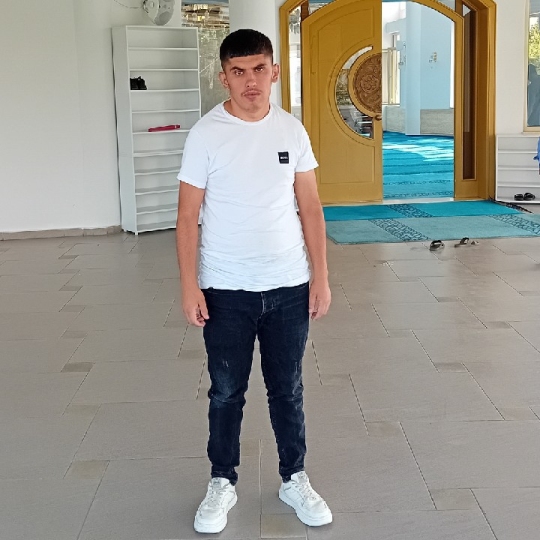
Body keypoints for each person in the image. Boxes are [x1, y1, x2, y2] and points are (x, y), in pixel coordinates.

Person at [176, 29, 332, 535]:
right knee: (226, 392)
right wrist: (189, 286)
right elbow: (187, 216)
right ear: (223, 77)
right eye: (238, 71)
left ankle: (294, 477)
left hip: (288, 285)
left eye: (259, 69)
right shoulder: (206, 134)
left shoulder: (292, 131)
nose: (250, 81)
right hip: (225, 289)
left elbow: (311, 207)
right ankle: (222, 480)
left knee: (287, 389)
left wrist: (321, 278)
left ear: (275, 72)